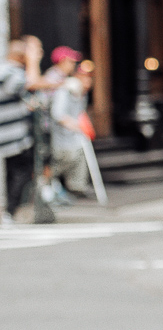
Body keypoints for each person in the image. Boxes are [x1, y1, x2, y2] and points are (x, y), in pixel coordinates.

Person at [0, 36, 42, 220]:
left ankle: (10, 210)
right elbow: (32, 82)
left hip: (10, 133)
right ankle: (10, 211)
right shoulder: (10, 72)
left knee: (14, 172)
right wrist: (33, 61)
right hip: (13, 135)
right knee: (20, 171)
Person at [46, 47, 93, 201]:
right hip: (50, 129)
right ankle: (45, 188)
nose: (73, 64)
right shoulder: (54, 77)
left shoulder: (65, 79)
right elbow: (56, 111)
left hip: (58, 130)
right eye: (71, 61)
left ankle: (69, 188)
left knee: (72, 154)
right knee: (60, 159)